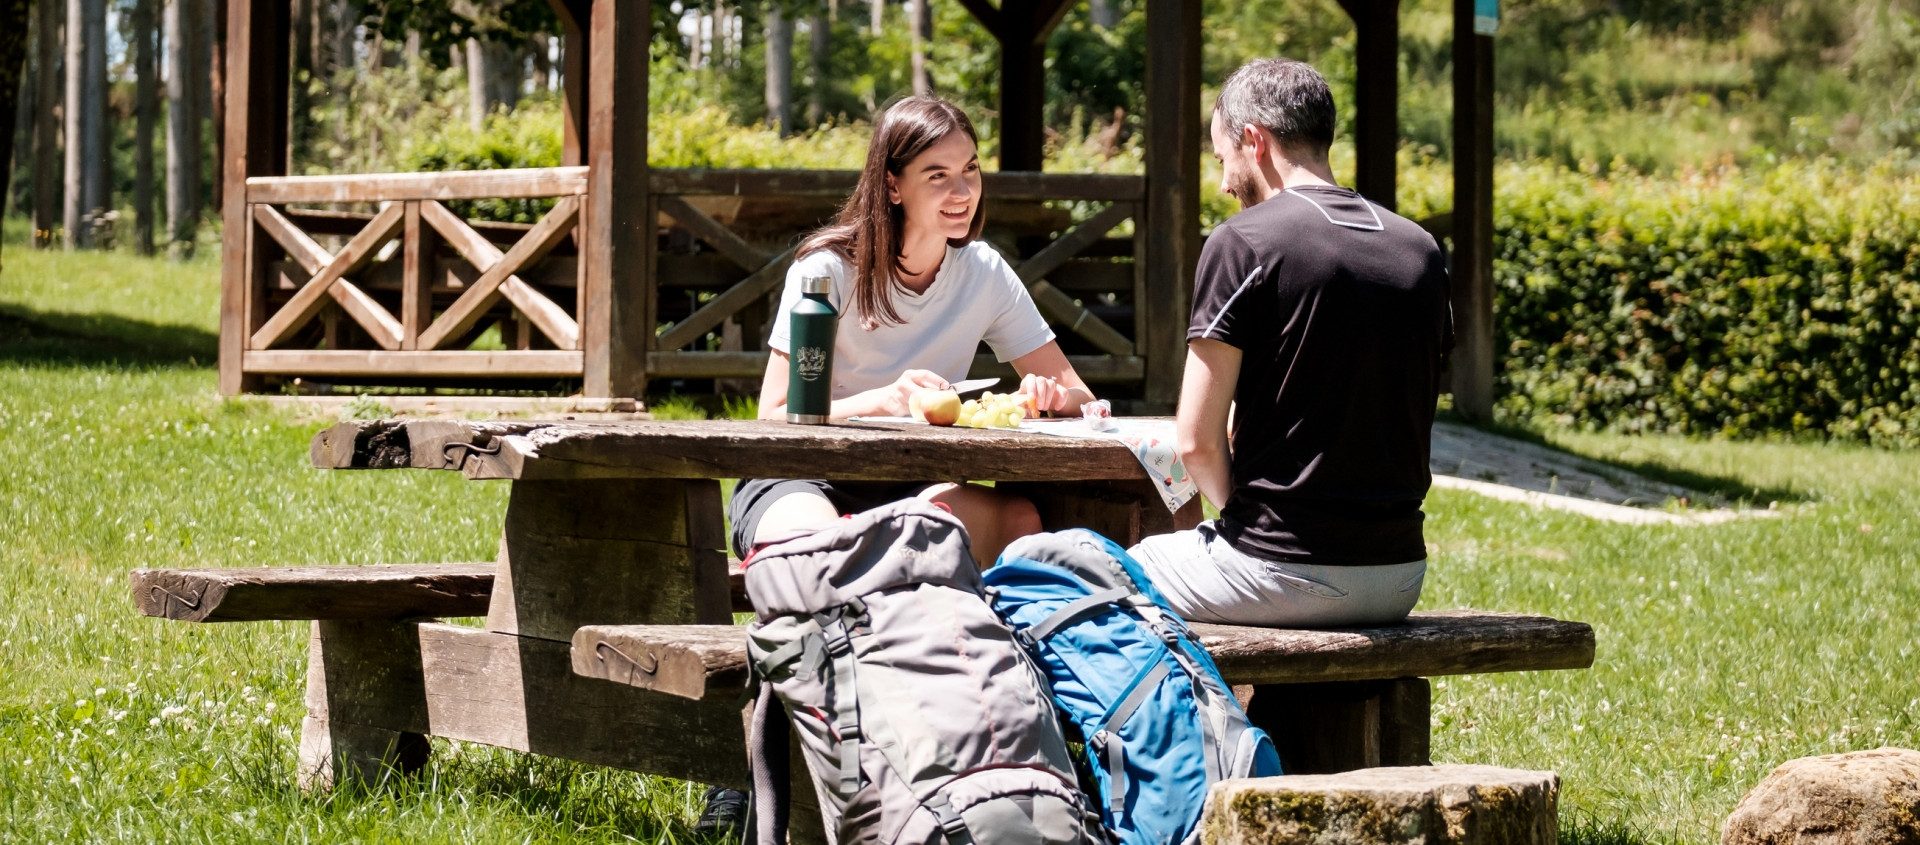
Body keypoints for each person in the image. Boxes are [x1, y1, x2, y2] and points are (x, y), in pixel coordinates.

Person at [1125, 58, 1454, 629]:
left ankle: (1188, 721)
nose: (1225, 182)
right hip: (1399, 576)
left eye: (1222, 158)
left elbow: (1196, 443)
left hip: (1280, 570)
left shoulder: (1244, 243)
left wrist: (1247, 523)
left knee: (1085, 573)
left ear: (1255, 140)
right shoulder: (1419, 249)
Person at [733, 95, 1097, 568]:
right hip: (799, 476)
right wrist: (881, 401)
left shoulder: (983, 272)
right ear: (892, 185)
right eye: (937, 175)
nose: (963, 191)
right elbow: (773, 413)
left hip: (913, 480)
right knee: (821, 548)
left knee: (1018, 521)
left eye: (970, 169)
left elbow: (1083, 398)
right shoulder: (826, 272)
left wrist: (1052, 397)